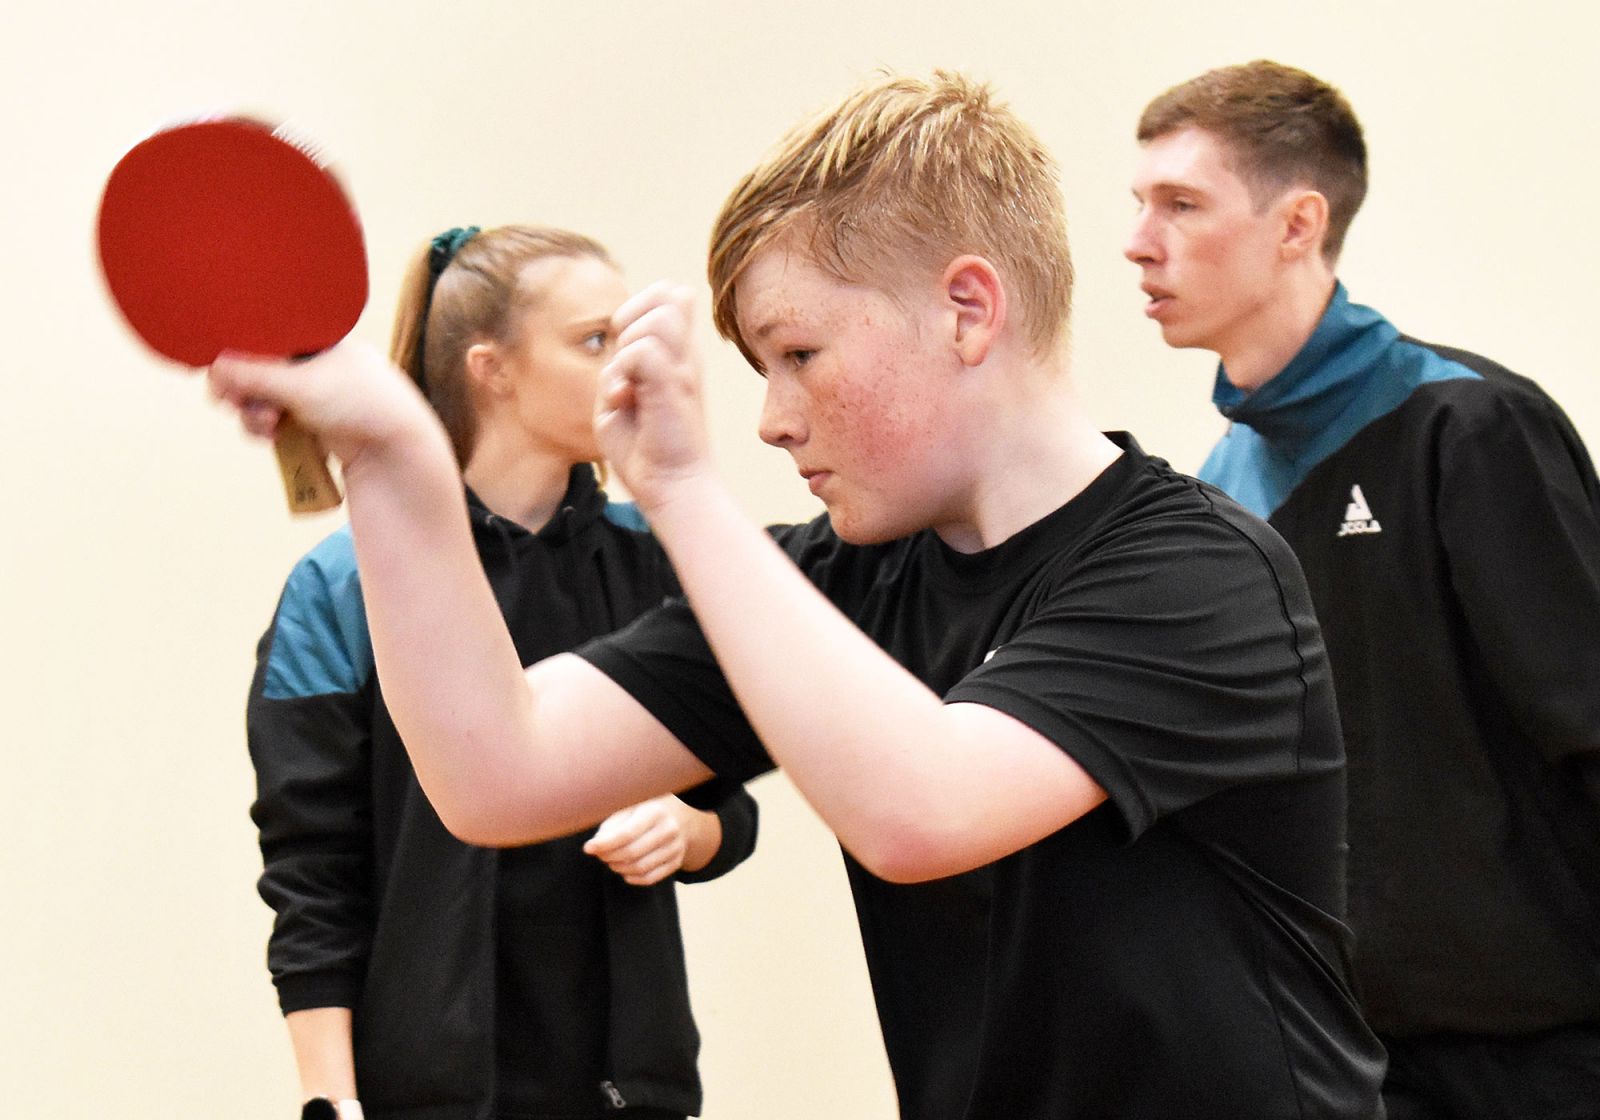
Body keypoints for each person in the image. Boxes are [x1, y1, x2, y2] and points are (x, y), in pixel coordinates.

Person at [215, 73, 1385, 1118]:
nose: (773, 420)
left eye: (800, 356)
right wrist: (392, 454)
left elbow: (920, 809)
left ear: (967, 309)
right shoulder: (839, 577)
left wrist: (679, 488)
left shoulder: (1195, 574)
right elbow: (492, 769)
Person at [1127, 59, 1600, 1118]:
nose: (1138, 241)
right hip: (1351, 1070)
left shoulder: (1469, 427)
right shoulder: (1215, 497)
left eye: (1181, 204)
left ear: (1298, 225)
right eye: (1140, 203)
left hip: (1550, 1063)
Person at [247, 224, 759, 1120]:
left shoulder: (659, 560)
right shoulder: (337, 589)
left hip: (631, 1091)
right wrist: (330, 1099)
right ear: (493, 369)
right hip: (425, 1097)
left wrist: (687, 830)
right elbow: (313, 875)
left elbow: (731, 809)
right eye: (593, 340)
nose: (626, 367)